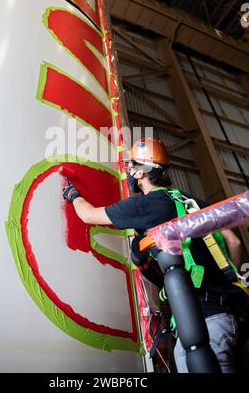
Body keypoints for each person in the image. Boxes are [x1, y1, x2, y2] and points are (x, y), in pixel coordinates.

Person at [63, 138, 247, 373]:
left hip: (203, 323)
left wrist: (72, 193)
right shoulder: (192, 201)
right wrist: (225, 283)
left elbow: (89, 216)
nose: (129, 172)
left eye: (131, 166)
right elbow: (234, 241)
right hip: (230, 317)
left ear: (140, 172)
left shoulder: (148, 204)